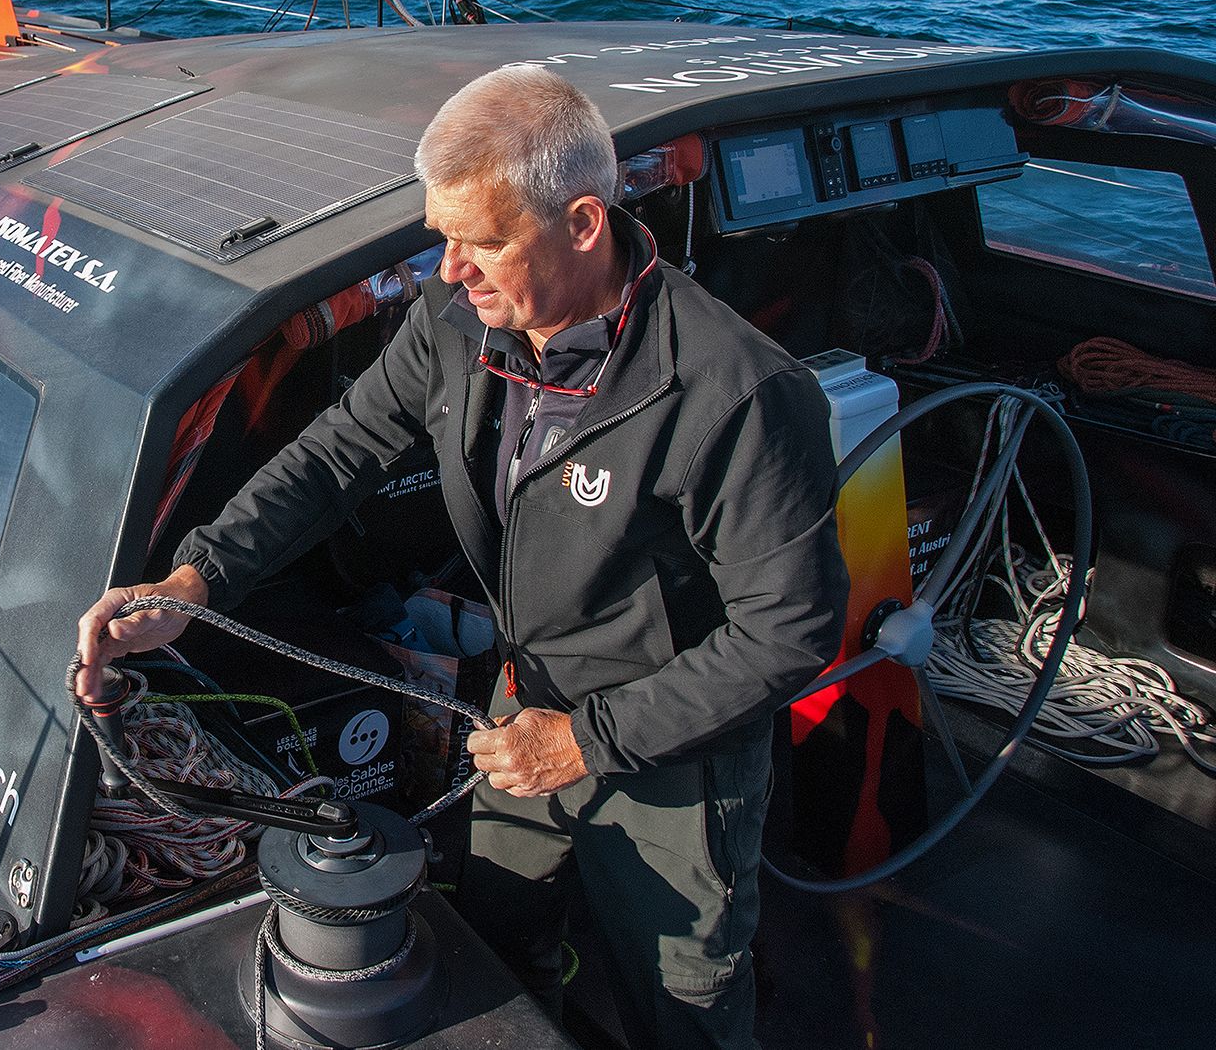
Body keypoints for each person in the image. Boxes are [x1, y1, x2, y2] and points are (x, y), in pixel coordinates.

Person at [76, 65, 848, 1050]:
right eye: (440, 236)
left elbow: (789, 632)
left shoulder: (738, 392)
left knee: (682, 1012)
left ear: (582, 223)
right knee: (496, 941)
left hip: (674, 757)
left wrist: (584, 742)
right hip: (523, 707)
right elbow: (337, 454)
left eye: (481, 240)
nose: (449, 270)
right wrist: (197, 580)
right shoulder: (456, 320)